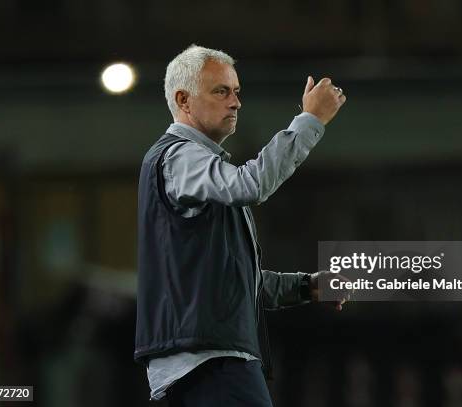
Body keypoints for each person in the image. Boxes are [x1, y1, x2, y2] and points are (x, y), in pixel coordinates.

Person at [134, 44, 348, 406]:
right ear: (183, 100)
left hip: (199, 364)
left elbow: (234, 284)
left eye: (236, 92)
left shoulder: (202, 174)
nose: (235, 102)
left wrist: (305, 287)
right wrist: (310, 121)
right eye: (221, 91)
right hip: (211, 364)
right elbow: (253, 184)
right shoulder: (180, 157)